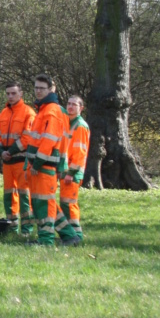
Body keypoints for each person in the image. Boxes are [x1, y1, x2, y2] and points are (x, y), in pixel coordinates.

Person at [22, 74, 76, 246]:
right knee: (47, 202)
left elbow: (49, 141)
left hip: (44, 166)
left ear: (51, 89)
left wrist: (37, 163)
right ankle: (70, 235)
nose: (38, 91)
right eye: (36, 87)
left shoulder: (51, 111)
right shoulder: (44, 109)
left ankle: (46, 240)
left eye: (42, 88)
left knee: (43, 204)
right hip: (40, 165)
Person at [0, 81, 36, 234]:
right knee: (9, 195)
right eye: (8, 93)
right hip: (7, 162)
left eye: (13, 93)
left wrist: (10, 151)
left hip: (22, 161)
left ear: (21, 94)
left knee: (25, 195)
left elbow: (27, 138)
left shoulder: (28, 113)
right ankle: (12, 228)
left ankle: (27, 229)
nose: (10, 96)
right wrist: (1, 152)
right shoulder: (3, 113)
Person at [58, 95, 90, 241]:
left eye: (74, 105)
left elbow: (80, 152)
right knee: (65, 203)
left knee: (69, 204)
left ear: (81, 108)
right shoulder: (68, 123)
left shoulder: (80, 126)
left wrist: (71, 172)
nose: (70, 107)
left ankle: (76, 235)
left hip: (73, 172)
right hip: (66, 171)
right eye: (69, 104)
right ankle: (70, 234)